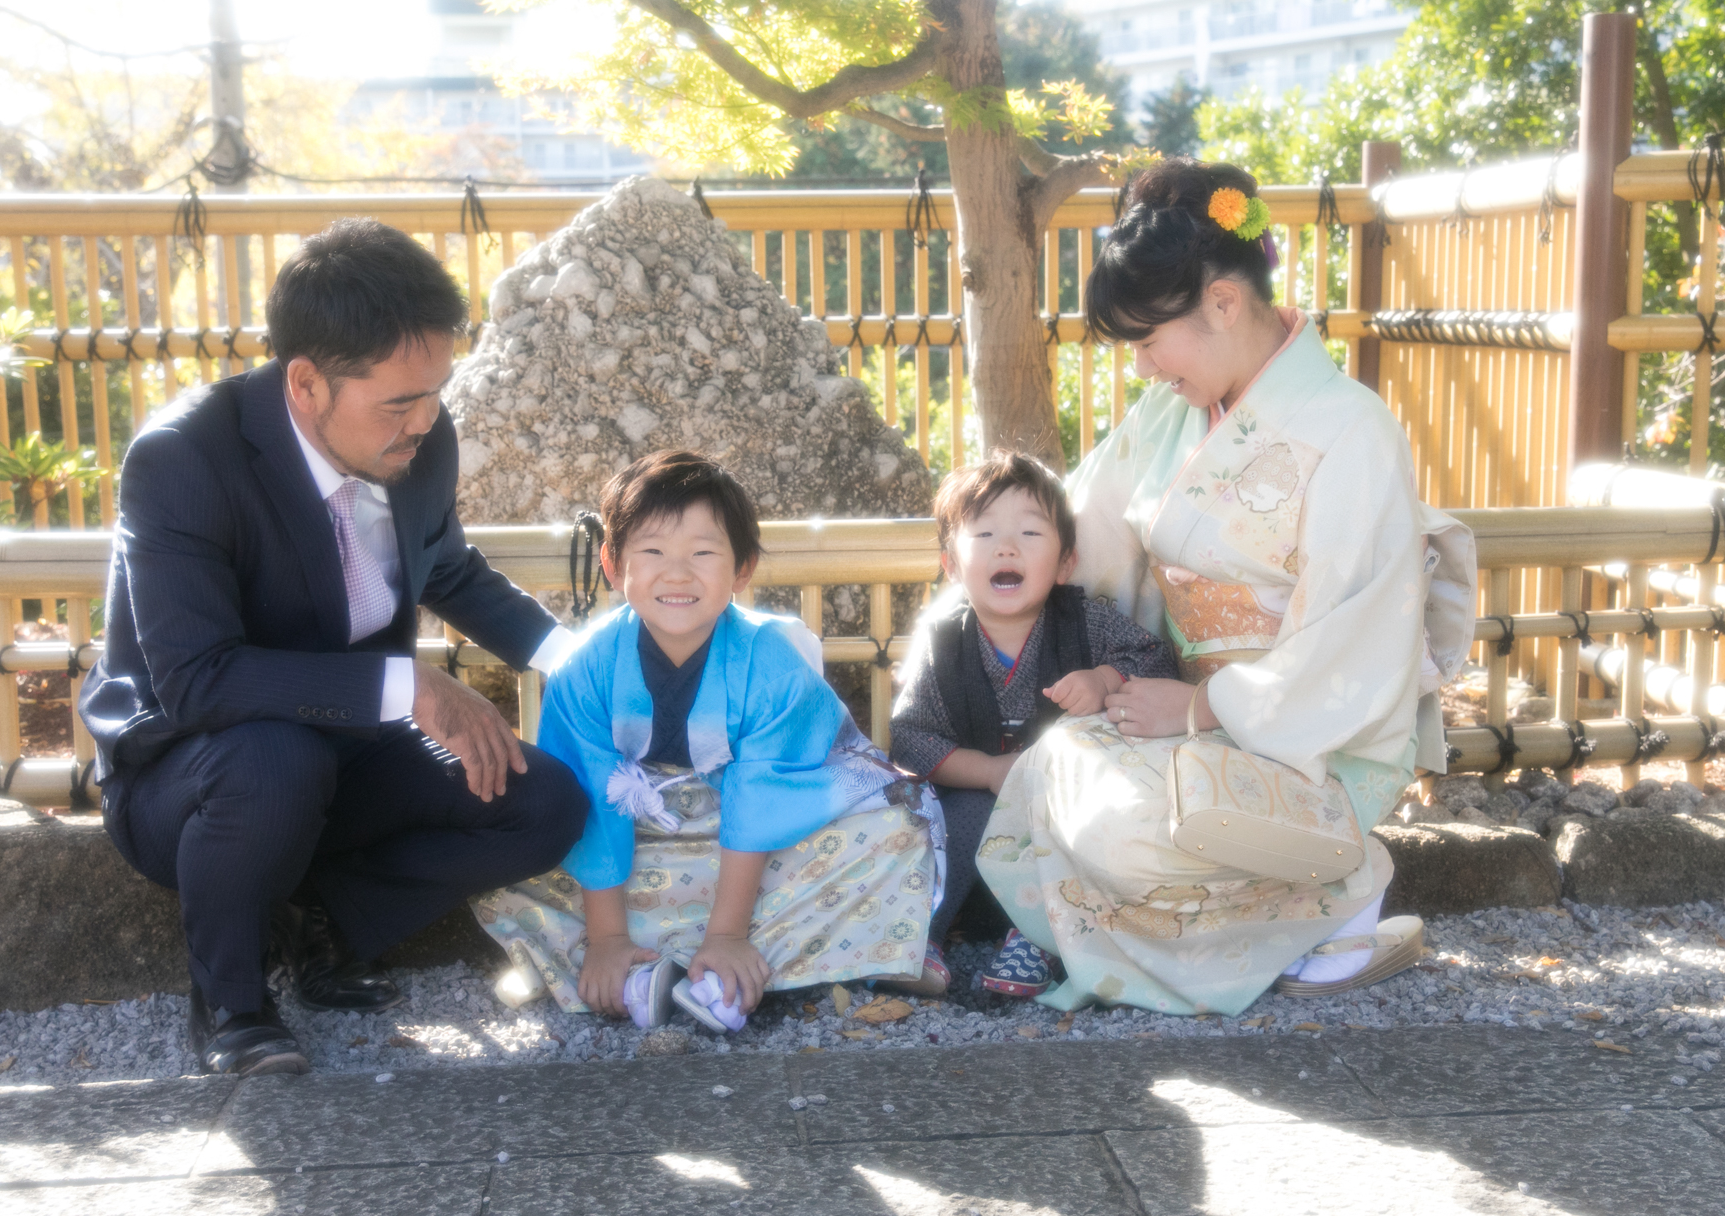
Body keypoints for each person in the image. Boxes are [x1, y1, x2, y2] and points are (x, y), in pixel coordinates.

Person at [79, 218, 590, 1076]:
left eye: (435, 391)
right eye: (398, 401)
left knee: (545, 803)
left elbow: (450, 572)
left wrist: (581, 659)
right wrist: (410, 689)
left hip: (350, 754)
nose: (426, 420)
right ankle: (232, 1003)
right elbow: (198, 683)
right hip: (194, 774)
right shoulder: (183, 459)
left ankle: (326, 926)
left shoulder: (421, 439)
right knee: (274, 761)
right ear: (307, 383)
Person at [976, 158, 1476, 1015]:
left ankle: (1345, 886)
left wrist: (1202, 710)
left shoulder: (1352, 429)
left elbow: (1350, 642)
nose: (1140, 368)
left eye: (1147, 340)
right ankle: (1299, 921)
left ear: (1222, 302)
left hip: (1318, 736)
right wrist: (993, 571)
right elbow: (1084, 536)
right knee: (1051, 767)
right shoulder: (1173, 412)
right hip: (1198, 718)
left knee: (1122, 837)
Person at [472, 450, 947, 1032]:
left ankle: (711, 957)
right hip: (649, 831)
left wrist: (726, 932)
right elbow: (590, 803)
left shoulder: (771, 661)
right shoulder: (585, 668)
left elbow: (763, 802)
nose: (677, 574)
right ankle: (649, 960)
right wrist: (608, 934)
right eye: (652, 552)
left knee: (897, 827)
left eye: (702, 552)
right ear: (613, 564)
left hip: (765, 833)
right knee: (498, 856)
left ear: (741, 569)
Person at [889, 452, 1177, 996]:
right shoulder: (943, 639)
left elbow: (1157, 660)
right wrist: (989, 770)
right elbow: (910, 736)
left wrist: (1105, 678)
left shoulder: (1085, 621)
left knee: (1089, 817)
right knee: (955, 817)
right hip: (978, 819)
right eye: (985, 534)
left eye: (1029, 532)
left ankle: (1039, 937)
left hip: (1067, 806)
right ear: (951, 563)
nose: (1007, 547)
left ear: (1065, 562)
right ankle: (921, 936)